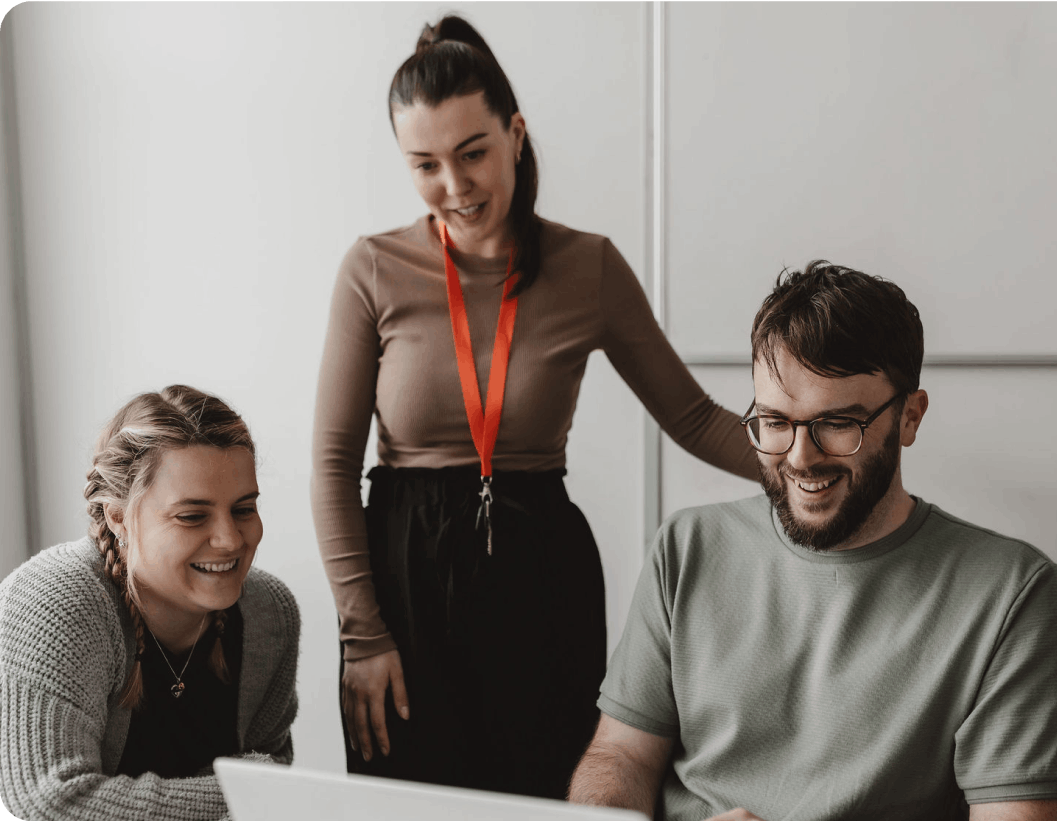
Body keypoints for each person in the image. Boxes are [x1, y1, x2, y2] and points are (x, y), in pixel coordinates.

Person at [310, 14, 759, 800]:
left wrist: (807, 468)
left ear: (516, 134)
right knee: (406, 805)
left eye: (473, 152)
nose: (454, 187)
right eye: (425, 164)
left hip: (539, 576)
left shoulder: (588, 266)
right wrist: (362, 631)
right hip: (403, 580)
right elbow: (332, 463)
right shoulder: (373, 268)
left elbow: (692, 418)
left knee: (550, 801)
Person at [568, 262, 1057, 821]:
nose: (799, 457)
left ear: (909, 417)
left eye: (838, 423)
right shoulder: (686, 547)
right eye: (774, 421)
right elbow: (620, 755)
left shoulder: (1011, 592)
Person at [0, 385, 300, 821]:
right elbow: (50, 804)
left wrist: (267, 786)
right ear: (117, 515)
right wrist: (250, 790)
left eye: (243, 508)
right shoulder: (55, 602)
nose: (230, 540)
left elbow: (275, 777)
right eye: (192, 515)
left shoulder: (269, 613)